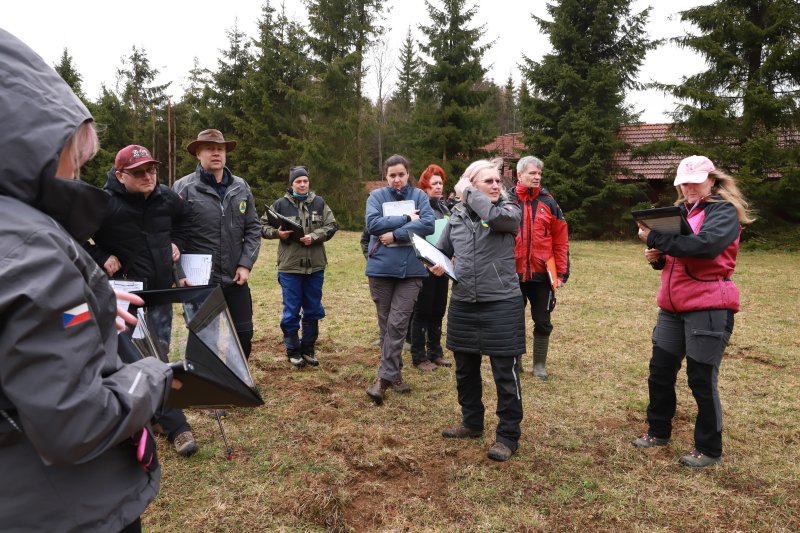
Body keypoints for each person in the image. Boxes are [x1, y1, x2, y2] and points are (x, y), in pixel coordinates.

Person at [0, 29, 176, 532]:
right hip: (64, 509)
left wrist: (91, 295)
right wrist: (155, 376)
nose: (76, 172)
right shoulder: (33, 248)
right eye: (74, 157)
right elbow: (74, 419)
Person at [632, 155, 754, 468]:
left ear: (712, 180)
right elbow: (677, 255)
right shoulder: (681, 212)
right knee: (660, 372)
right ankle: (658, 431)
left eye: (695, 180)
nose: (689, 187)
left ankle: (709, 449)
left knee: (701, 379)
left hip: (709, 306)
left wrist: (655, 237)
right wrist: (657, 256)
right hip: (672, 307)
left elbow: (705, 247)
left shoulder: (722, 212)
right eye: (683, 182)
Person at [85, 144, 198, 458]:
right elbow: (73, 235)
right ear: (121, 175)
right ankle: (176, 426)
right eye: (139, 172)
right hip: (126, 298)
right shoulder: (104, 204)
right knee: (137, 361)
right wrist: (101, 255)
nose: (148, 176)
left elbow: (186, 219)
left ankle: (157, 416)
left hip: (160, 293)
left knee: (158, 352)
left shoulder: (166, 197)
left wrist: (177, 242)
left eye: (151, 169)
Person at [430, 159, 525, 462]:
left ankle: (508, 436)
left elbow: (497, 220)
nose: (497, 186)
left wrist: (469, 192)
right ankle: (472, 422)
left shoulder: (509, 210)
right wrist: (435, 263)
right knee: (465, 369)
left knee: (504, 375)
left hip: (501, 302)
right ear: (473, 183)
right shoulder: (456, 215)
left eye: (498, 181)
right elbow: (443, 250)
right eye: (489, 181)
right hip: (463, 301)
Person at [173, 129, 261, 358]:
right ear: (198, 154)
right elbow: (169, 235)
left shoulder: (241, 187)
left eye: (220, 149)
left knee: (243, 335)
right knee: (203, 338)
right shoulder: (183, 188)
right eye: (210, 149)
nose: (216, 153)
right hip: (199, 282)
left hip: (234, 278)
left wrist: (245, 264)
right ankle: (205, 386)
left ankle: (237, 383)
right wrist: (178, 272)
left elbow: (253, 228)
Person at [364, 154, 435, 404]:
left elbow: (428, 225)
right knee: (386, 325)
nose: (397, 180)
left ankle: (383, 380)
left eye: (401, 175)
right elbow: (373, 224)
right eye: (392, 175)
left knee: (397, 323)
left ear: (408, 174)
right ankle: (395, 374)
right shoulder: (376, 197)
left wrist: (395, 234)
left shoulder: (419, 196)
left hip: (411, 272)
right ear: (386, 176)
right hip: (381, 270)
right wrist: (406, 219)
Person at [262, 166, 338, 368]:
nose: (303, 184)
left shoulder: (320, 203)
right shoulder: (279, 204)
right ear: (291, 184)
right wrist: (278, 234)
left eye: (305, 181)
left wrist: (313, 237)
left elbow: (331, 226)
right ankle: (293, 350)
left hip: (315, 267)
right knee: (291, 310)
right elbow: (261, 226)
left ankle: (308, 348)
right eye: (298, 181)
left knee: (313, 309)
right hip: (290, 268)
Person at [509, 156, 569, 380]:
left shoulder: (549, 203)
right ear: (520, 175)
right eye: (532, 173)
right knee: (513, 321)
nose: (537, 177)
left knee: (543, 321)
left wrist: (561, 273)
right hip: (511, 273)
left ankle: (539, 365)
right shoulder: (506, 200)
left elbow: (561, 241)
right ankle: (516, 363)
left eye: (539, 174)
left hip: (542, 274)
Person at [410, 164, 452, 371]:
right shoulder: (420, 209)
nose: (438, 187)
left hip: (443, 267)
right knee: (422, 312)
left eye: (440, 183)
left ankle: (435, 352)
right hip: (424, 267)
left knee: (438, 310)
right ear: (425, 187)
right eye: (434, 183)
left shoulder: (445, 208)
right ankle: (419, 356)